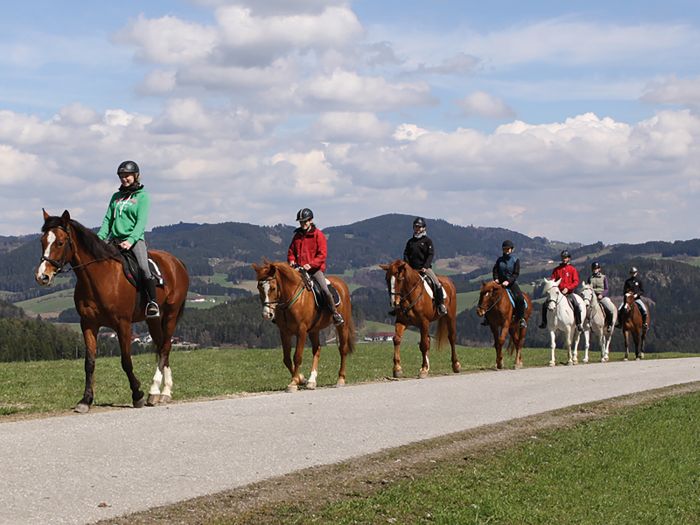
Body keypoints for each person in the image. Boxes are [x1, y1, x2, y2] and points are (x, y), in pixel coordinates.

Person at [97, 160, 159, 318]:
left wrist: (131, 240)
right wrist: (98, 240)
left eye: (128, 176)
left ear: (136, 176)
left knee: (144, 268)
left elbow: (141, 223)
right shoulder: (116, 197)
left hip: (134, 240)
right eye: (122, 176)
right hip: (114, 240)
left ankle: (152, 302)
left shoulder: (142, 197)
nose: (124, 179)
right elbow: (107, 221)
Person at [287, 208, 344, 325]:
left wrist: (311, 265)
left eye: (305, 221)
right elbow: (291, 251)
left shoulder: (319, 235)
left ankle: (335, 314)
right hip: (298, 270)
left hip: (315, 270)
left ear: (311, 220)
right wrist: (292, 260)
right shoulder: (297, 236)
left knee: (325, 290)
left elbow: (322, 255)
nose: (303, 224)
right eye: (301, 222)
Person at [400, 217, 447, 316]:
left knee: (436, 283)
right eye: (415, 227)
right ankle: (398, 305)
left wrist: (425, 266)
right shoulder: (410, 242)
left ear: (424, 228)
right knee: (400, 283)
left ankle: (440, 305)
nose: (417, 228)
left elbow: (430, 254)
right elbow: (405, 254)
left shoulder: (427, 241)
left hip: (424, 269)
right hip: (411, 269)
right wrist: (407, 266)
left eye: (419, 227)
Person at [539, 249, 583, 331]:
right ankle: (544, 322)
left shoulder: (572, 269)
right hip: (557, 293)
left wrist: (568, 288)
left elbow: (576, 282)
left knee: (576, 305)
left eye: (566, 257)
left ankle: (578, 323)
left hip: (569, 293)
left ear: (569, 258)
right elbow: (553, 280)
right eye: (563, 257)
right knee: (545, 304)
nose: (564, 259)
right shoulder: (556, 270)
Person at [492, 240, 527, 328]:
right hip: (499, 283)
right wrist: (496, 279)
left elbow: (516, 274)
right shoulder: (499, 260)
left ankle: (521, 319)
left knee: (520, 299)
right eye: (505, 249)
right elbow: (495, 270)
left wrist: (508, 281)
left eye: (508, 249)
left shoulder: (515, 260)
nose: (507, 250)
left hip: (511, 283)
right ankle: (487, 317)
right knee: (487, 296)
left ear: (512, 250)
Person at [587, 261, 615, 332]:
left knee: (610, 308)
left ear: (599, 269)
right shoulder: (590, 278)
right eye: (593, 268)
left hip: (601, 296)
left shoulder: (603, 277)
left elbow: (606, 288)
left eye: (596, 268)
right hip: (592, 297)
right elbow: (588, 288)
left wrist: (602, 294)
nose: (595, 270)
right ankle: (586, 325)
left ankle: (609, 324)